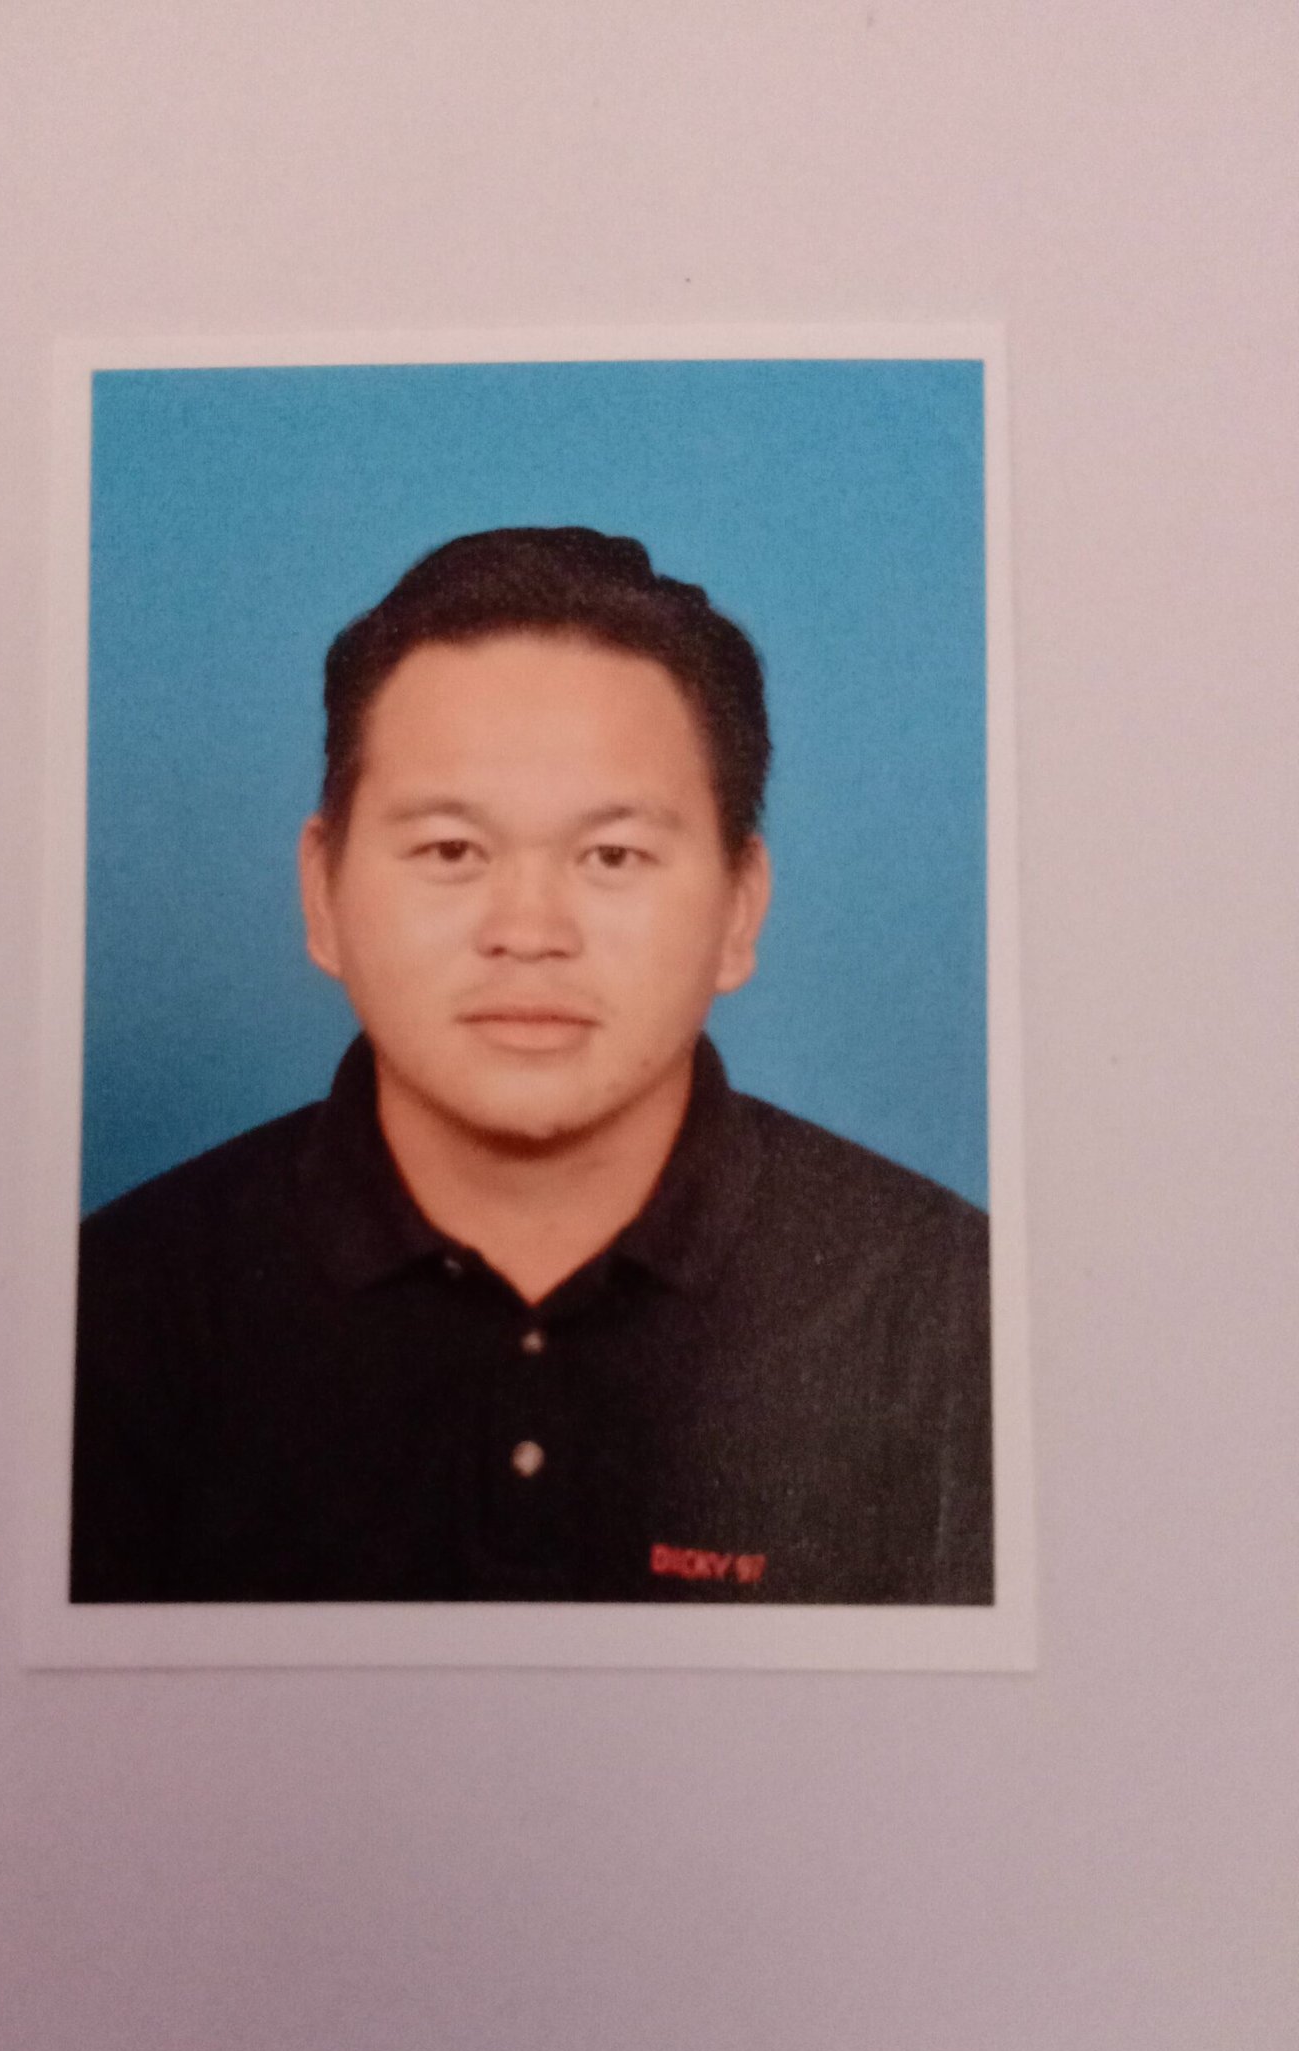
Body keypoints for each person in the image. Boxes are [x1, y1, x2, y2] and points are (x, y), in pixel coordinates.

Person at [71, 527, 992, 1606]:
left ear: (740, 909)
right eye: (451, 850)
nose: (528, 931)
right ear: (322, 895)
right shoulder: (108, 1316)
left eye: (612, 856)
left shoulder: (955, 1322)